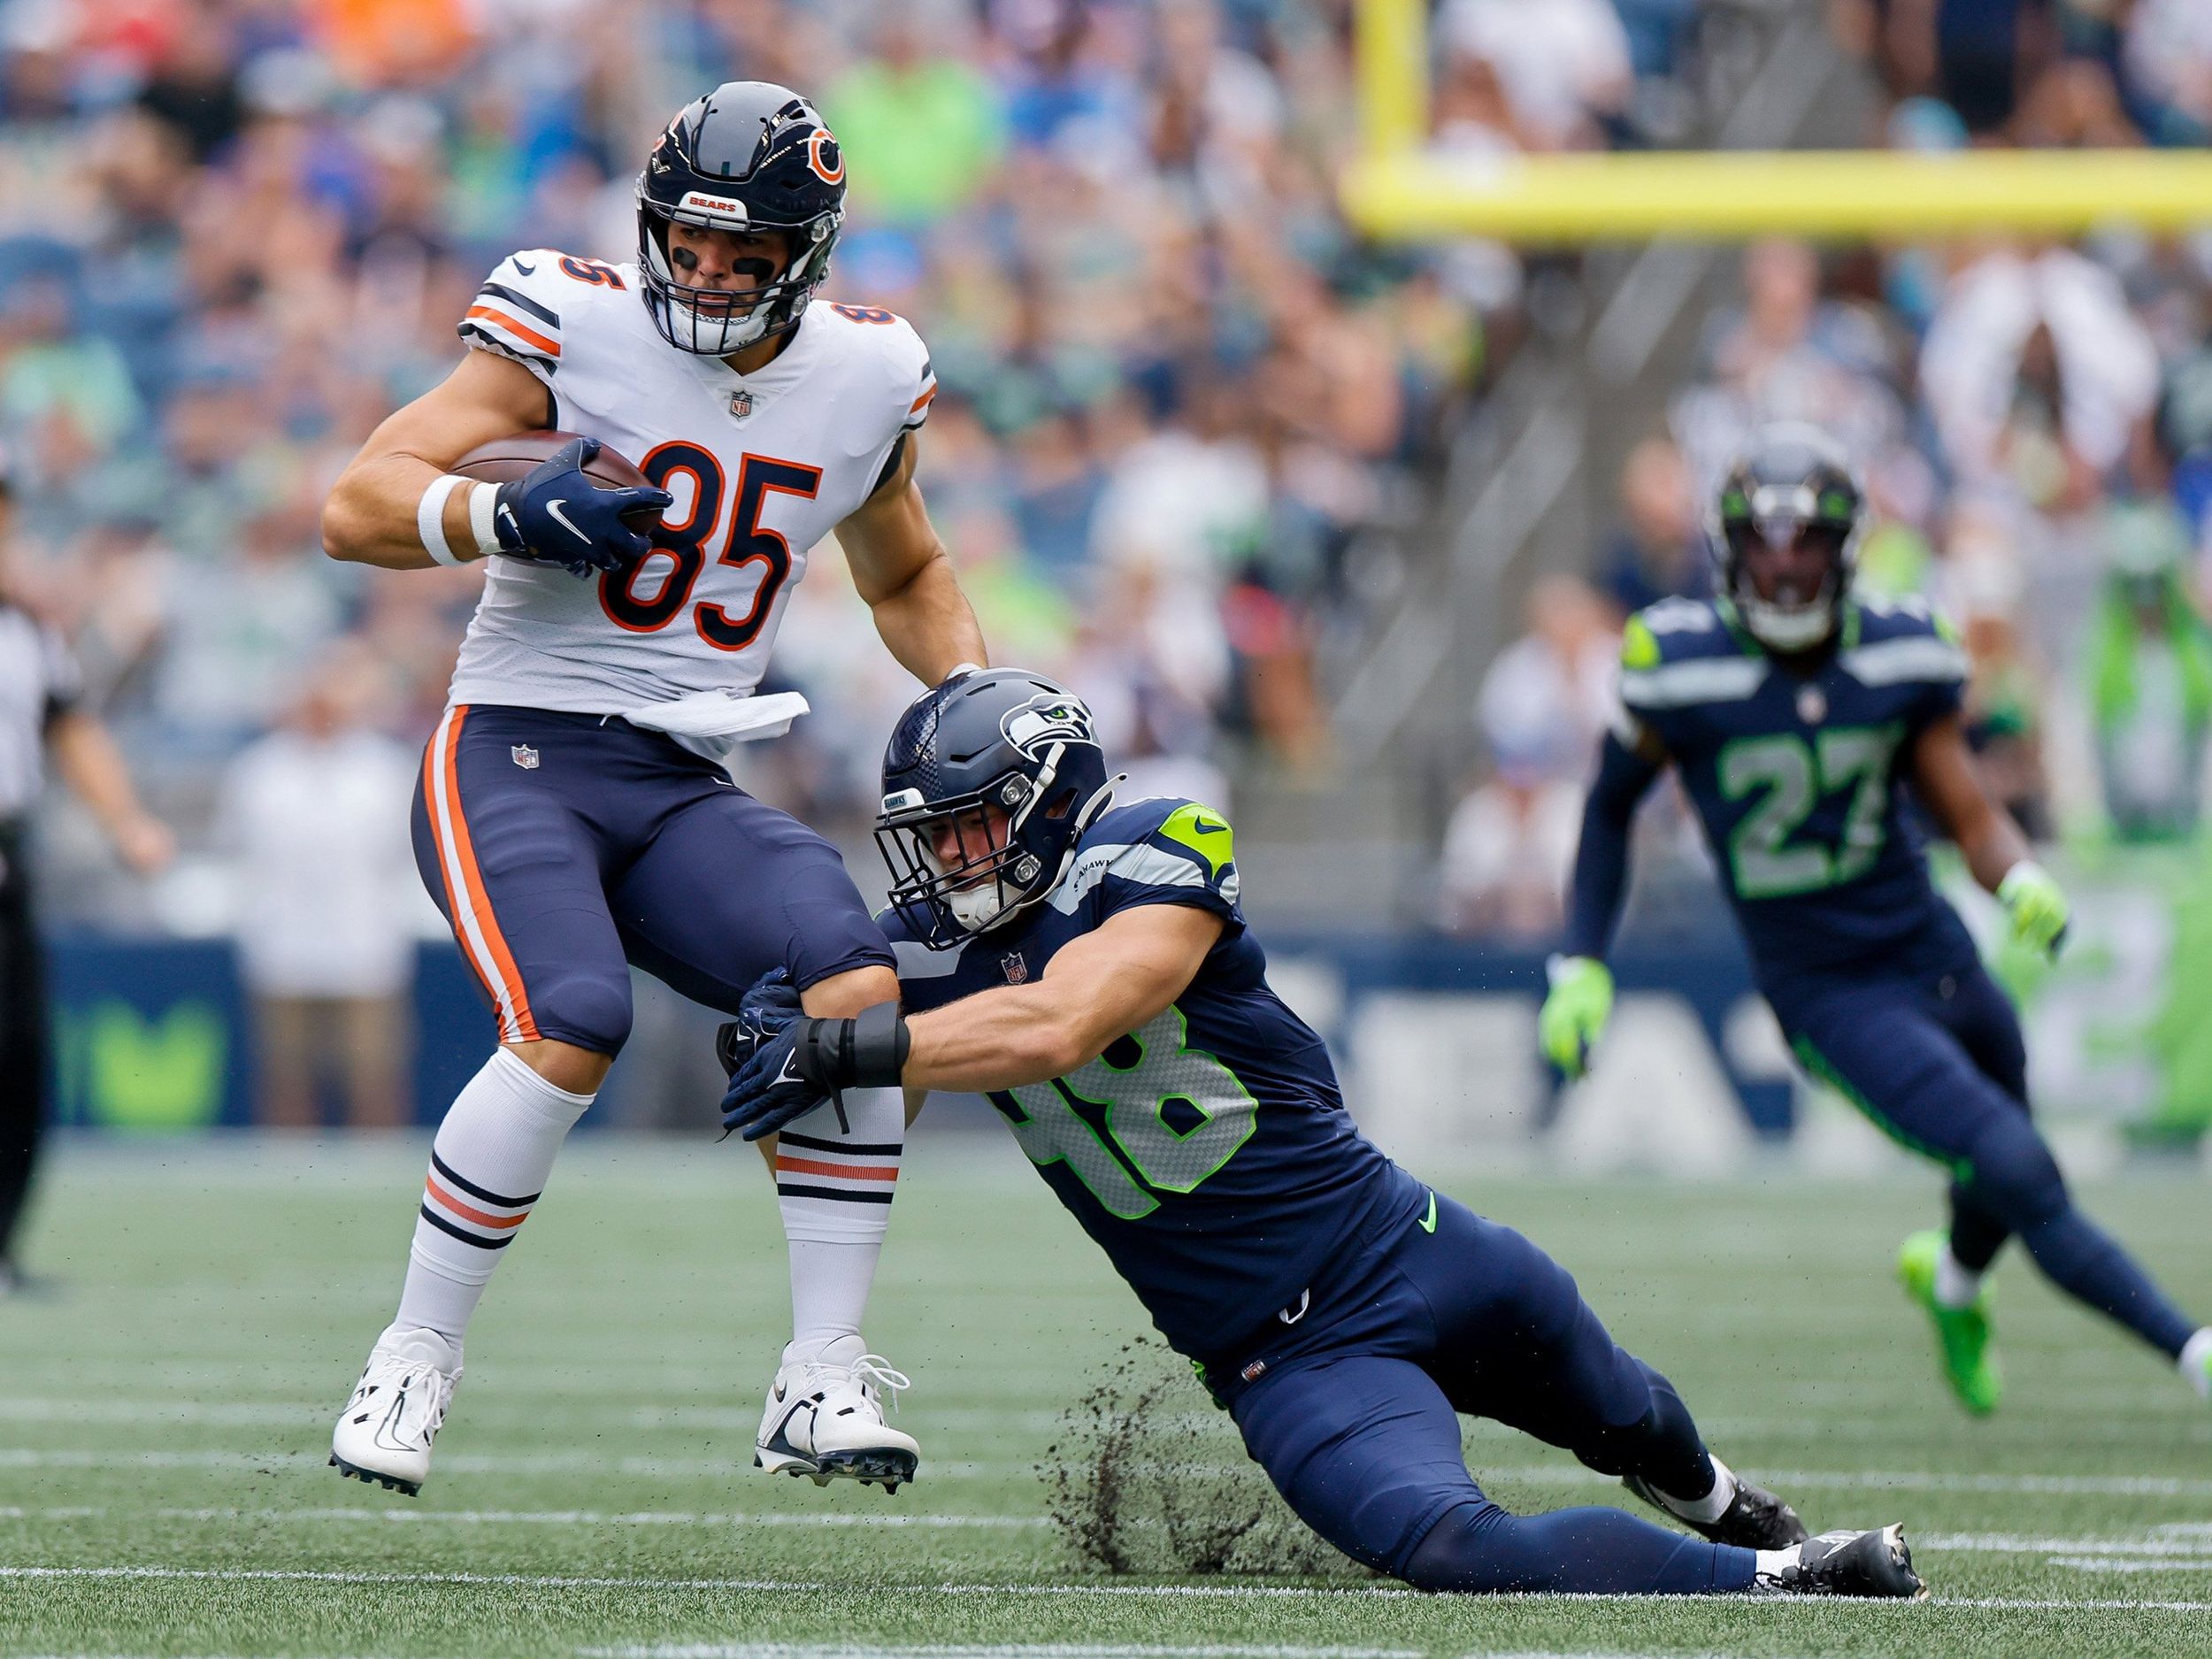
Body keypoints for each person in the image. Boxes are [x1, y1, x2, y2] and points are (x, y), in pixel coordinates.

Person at [714, 667, 1924, 1600]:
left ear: (1047, 793)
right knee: (1456, 1546)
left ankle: (1728, 1507)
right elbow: (854, 1144)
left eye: (972, 826)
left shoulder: (1153, 846)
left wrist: (850, 1042)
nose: (946, 861)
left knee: (1627, 1413)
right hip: (1283, 1359)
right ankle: (1786, 1577)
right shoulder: (917, 960)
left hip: (1406, 1240)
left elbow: (1064, 1021)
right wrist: (787, 1067)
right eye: (935, 835)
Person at [318, 82, 987, 1496]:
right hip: (515, 744)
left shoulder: (868, 376)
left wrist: (971, 691)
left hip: (684, 769)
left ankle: (819, 1375)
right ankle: (414, 1352)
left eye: (744, 257)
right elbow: (357, 500)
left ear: (809, 253)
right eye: (686, 244)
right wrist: (498, 510)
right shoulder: (572, 321)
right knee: (574, 1020)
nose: (705, 275)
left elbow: (910, 570)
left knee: (856, 993)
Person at [1539, 423, 2212, 1417]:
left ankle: (1948, 1282)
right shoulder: (1674, 662)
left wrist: (2017, 878)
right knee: (2016, 1161)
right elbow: (1605, 807)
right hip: (1826, 988)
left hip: (1926, 942)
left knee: (2001, 1145)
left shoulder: (1900, 651)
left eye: (1804, 542)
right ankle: (2192, 1352)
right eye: (1763, 544)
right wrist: (1578, 964)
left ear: (1844, 549)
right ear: (1728, 549)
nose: (1782, 566)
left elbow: (1967, 811)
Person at [0, 456, 174, 1293]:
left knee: (21, 1058)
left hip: (11, 854)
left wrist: (127, 822)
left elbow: (69, 729)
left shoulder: (28, 628)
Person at [216, 643, 421, 1128]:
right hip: (281, 944)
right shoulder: (257, 770)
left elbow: (404, 854)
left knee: (374, 1073)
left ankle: (379, 1177)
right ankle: (287, 1178)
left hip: (366, 943)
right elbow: (236, 851)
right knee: (286, 1073)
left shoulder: (385, 768)